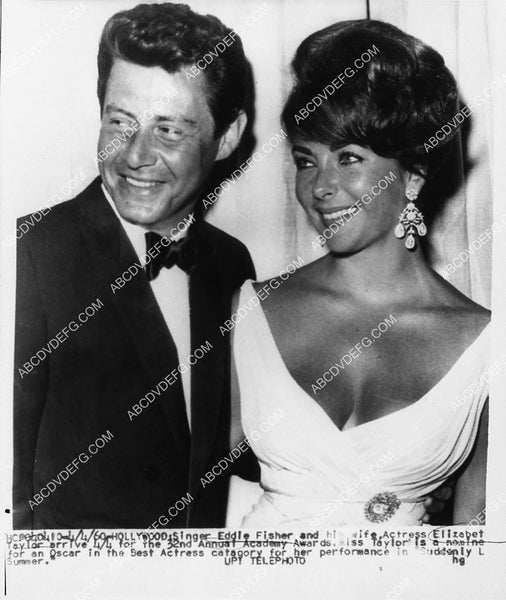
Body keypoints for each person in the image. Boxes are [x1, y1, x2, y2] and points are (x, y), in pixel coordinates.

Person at [231, 19, 490, 527]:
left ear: (412, 174)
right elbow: (180, 479)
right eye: (307, 160)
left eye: (348, 158)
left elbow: (477, 542)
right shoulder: (249, 310)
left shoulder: (485, 343)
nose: (319, 188)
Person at [13, 2, 258, 529]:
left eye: (169, 131)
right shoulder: (27, 255)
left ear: (229, 137)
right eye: (120, 122)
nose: (135, 155)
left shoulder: (231, 262)